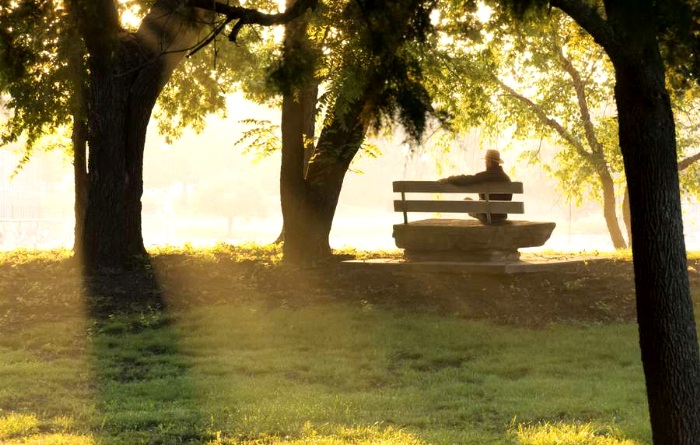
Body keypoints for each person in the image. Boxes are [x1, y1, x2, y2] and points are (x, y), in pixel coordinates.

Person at [438, 149, 512, 224]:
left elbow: (466, 180)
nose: (485, 163)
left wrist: (449, 179)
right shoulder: (507, 179)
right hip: (501, 217)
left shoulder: (484, 176)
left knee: (467, 200)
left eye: (485, 161)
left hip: (485, 216)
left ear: (489, 162)